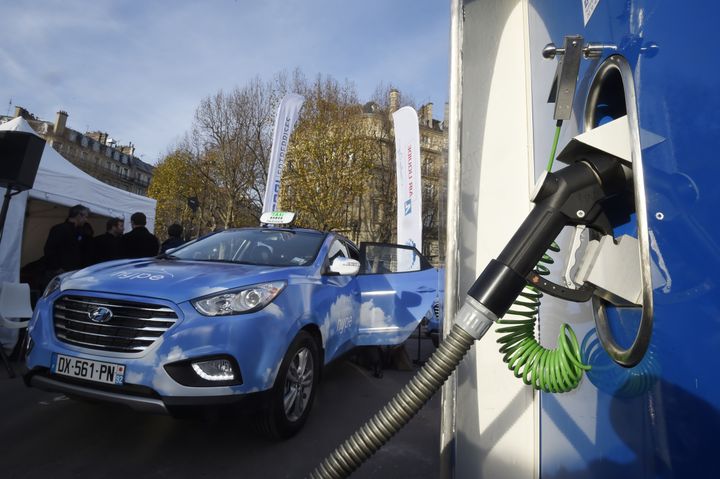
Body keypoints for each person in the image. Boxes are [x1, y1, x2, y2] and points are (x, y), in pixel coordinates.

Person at [43, 204, 91, 277]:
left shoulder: (80, 231)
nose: (86, 220)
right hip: (59, 272)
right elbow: (49, 249)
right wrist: (56, 268)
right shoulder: (59, 229)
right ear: (78, 215)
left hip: (72, 271)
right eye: (85, 217)